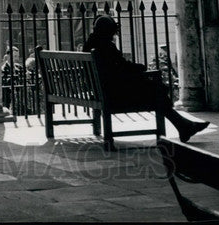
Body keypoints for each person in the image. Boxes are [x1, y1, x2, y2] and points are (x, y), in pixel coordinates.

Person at [83, 15, 209, 143]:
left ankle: (184, 125)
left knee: (156, 91)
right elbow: (122, 67)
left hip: (104, 91)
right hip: (114, 95)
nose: (114, 34)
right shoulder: (105, 46)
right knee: (157, 91)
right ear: (108, 31)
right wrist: (140, 68)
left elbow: (116, 69)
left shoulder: (90, 44)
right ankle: (183, 126)